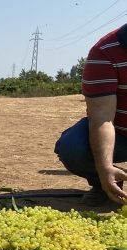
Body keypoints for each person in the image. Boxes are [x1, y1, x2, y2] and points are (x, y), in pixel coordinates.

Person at [54, 25, 127, 206]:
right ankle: (106, 182)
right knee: (73, 148)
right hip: (120, 136)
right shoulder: (104, 53)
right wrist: (103, 168)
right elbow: (103, 118)